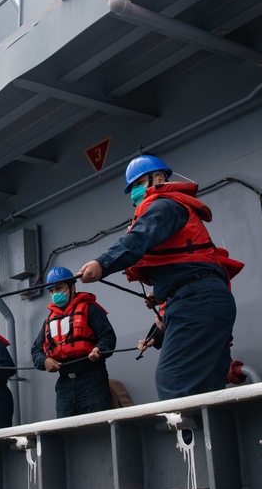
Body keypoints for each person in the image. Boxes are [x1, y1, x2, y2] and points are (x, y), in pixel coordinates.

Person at [77, 155, 242, 401]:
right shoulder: (171, 208)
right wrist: (160, 309)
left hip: (198, 301)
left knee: (175, 382)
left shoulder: (164, 206)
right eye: (132, 187)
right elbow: (186, 274)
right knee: (208, 389)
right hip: (203, 300)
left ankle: (191, 437)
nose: (135, 192)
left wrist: (102, 263)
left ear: (159, 179)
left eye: (138, 184)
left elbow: (139, 238)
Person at [31, 266, 117, 417]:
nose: (55, 294)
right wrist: (44, 361)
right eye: (51, 291)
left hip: (92, 379)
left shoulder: (90, 309)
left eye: (59, 288)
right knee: (66, 431)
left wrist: (99, 349)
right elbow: (36, 350)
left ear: (72, 286)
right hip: (64, 385)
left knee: (98, 426)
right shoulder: (48, 321)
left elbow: (108, 337)